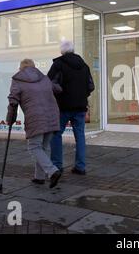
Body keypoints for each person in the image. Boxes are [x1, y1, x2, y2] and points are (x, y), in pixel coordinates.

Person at [6, 59, 62, 188]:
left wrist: (10, 119)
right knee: (42, 148)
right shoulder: (45, 79)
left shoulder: (18, 80)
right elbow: (58, 88)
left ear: (21, 69)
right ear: (34, 67)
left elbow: (13, 101)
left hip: (35, 118)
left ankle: (52, 171)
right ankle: (39, 177)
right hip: (52, 115)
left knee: (34, 147)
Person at [48, 40, 95, 175]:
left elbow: (49, 83)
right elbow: (91, 86)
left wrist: (60, 93)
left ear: (62, 51)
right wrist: (82, 95)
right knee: (80, 136)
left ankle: (57, 165)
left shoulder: (58, 64)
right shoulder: (84, 66)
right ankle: (80, 167)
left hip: (62, 106)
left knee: (56, 134)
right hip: (80, 106)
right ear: (73, 50)